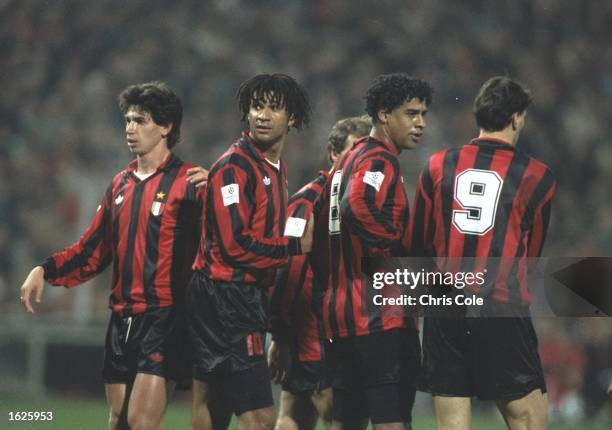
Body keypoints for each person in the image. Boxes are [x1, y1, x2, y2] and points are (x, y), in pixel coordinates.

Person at [19, 81, 209, 430]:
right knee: (119, 421)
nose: (130, 129)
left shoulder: (191, 183)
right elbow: (92, 251)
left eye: (140, 120)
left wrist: (217, 204)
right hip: (121, 319)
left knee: (141, 422)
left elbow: (223, 244)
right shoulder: (120, 184)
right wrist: (44, 270)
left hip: (165, 319)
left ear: (166, 127)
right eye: (127, 120)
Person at [410, 76, 556, 430]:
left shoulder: (437, 165)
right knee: (530, 422)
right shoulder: (537, 176)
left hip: (445, 309)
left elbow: (417, 246)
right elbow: (531, 255)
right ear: (516, 118)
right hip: (500, 306)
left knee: (453, 424)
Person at [186, 73, 314, 430]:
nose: (262, 115)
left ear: (292, 118)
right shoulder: (234, 166)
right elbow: (235, 245)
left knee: (215, 402)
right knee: (259, 418)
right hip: (226, 296)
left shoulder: (274, 166)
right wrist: (293, 247)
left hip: (233, 295)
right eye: (257, 106)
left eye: (273, 108)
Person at [312, 73, 433, 429]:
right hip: (379, 317)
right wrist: (392, 248)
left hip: (341, 316)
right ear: (383, 114)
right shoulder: (379, 159)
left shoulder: (340, 166)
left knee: (346, 420)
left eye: (423, 114)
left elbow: (318, 230)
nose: (420, 123)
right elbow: (357, 205)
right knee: (391, 419)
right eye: (411, 113)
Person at [268, 116, 372, 430]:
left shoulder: (364, 201)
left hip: (343, 327)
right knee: (337, 416)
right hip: (317, 332)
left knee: (295, 413)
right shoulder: (310, 200)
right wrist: (281, 335)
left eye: (364, 152)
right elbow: (289, 269)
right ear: (332, 153)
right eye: (352, 150)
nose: (358, 159)